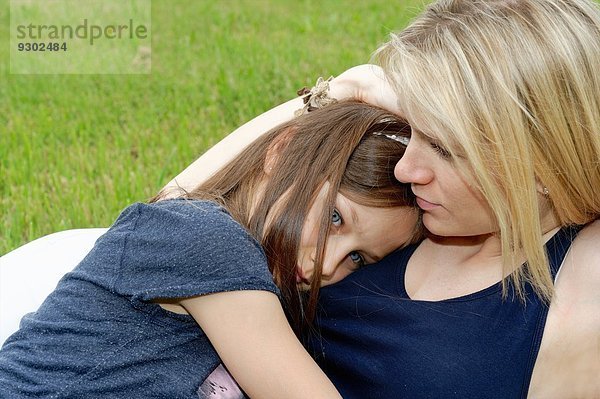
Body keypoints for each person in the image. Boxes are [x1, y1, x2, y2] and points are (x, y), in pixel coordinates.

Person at [0, 100, 421, 398]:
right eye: (335, 217)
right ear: (282, 151)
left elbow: (175, 195)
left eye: (358, 258)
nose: (325, 266)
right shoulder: (207, 240)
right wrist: (344, 91)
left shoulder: (200, 242)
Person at [306, 0, 600, 398]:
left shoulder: (582, 270)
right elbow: (203, 212)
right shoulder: (415, 206)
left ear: (543, 163)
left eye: (444, 148)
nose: (405, 171)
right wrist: (344, 90)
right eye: (412, 129)